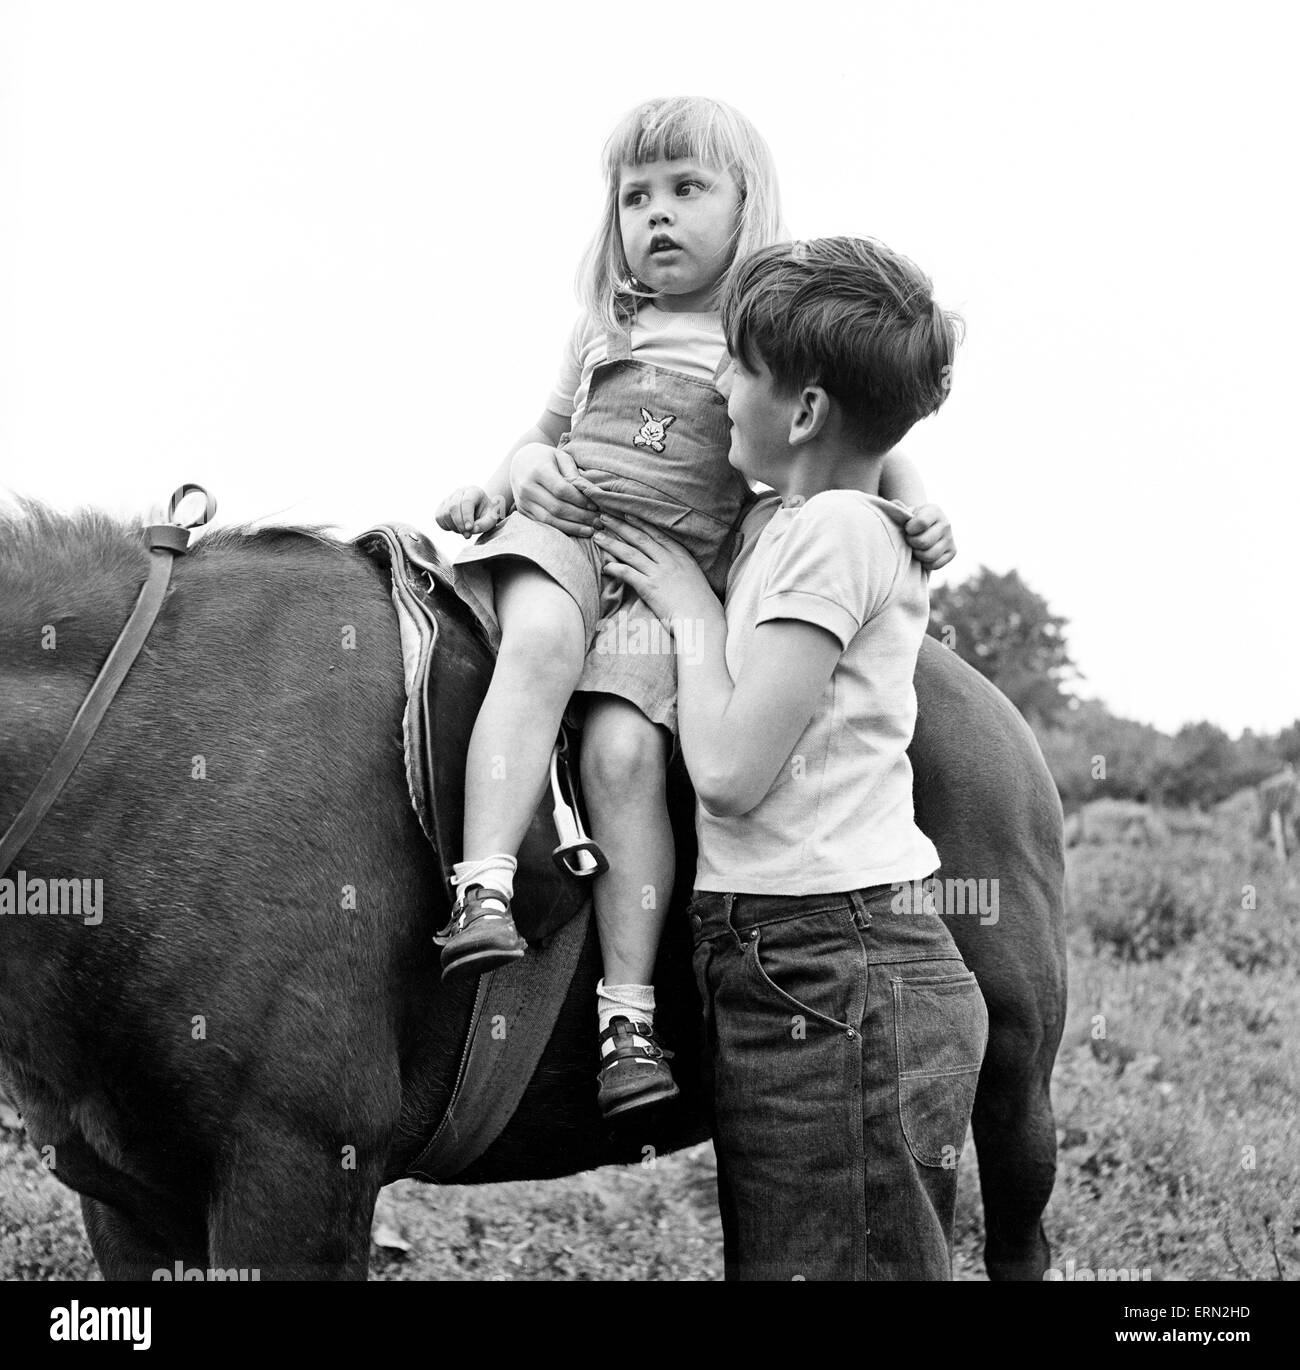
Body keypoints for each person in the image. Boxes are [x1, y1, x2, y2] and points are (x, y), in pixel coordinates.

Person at [435, 97, 953, 1121]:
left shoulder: (759, 333)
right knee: (535, 642)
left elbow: (866, 427)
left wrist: (921, 507)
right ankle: (482, 881)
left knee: (623, 755)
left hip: (667, 570)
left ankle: (625, 1012)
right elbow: (538, 434)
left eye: (685, 189)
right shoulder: (605, 325)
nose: (656, 215)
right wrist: (514, 475)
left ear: (745, 203)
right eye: (635, 196)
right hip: (570, 539)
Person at [591, 236, 988, 1278]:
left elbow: (726, 769)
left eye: (736, 367)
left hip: (836, 962)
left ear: (804, 411)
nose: (717, 386)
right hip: (792, 956)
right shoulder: (784, 520)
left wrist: (682, 602)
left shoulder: (838, 534)